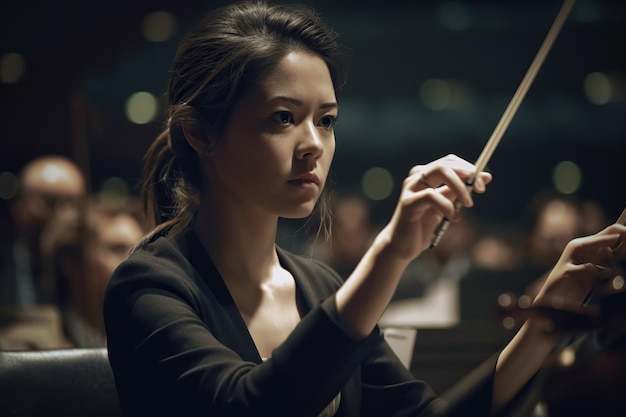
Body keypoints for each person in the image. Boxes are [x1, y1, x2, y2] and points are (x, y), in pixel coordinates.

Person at [103, 2, 626, 416]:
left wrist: (543, 322)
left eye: (326, 120)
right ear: (200, 133)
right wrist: (390, 254)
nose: (314, 144)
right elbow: (252, 405)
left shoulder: (320, 287)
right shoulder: (148, 288)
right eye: (284, 117)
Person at [44, 193, 146, 347]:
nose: (136, 262)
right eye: (117, 249)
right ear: (72, 262)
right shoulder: (39, 343)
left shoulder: (149, 335)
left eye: (140, 251)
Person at [0, 155, 86, 307]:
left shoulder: (90, 269)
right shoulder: (6, 267)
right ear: (19, 208)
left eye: (74, 204)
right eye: (50, 202)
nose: (66, 215)